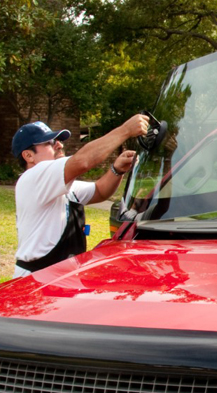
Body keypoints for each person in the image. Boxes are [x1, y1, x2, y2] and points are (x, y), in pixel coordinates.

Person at [11, 114, 149, 278]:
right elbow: (82, 161)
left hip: (57, 277)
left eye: (58, 141)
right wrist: (125, 130)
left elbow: (99, 191)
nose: (59, 145)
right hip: (35, 279)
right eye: (50, 143)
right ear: (28, 156)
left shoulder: (55, 185)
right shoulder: (34, 177)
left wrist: (116, 170)